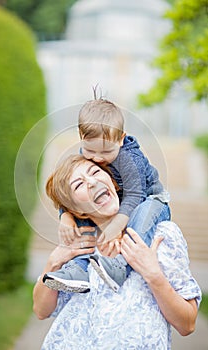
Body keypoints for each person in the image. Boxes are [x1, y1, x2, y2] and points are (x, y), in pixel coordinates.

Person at [33, 154, 201, 349]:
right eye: (78, 184)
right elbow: (41, 310)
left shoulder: (160, 235)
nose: (92, 182)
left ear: (112, 182)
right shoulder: (80, 245)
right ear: (78, 212)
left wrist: (153, 274)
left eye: (95, 172)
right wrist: (53, 262)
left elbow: (187, 324)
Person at [49, 97, 171, 292]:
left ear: (121, 139)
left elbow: (134, 197)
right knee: (85, 212)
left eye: (106, 151)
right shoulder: (95, 151)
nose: (97, 158)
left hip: (149, 200)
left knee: (140, 221)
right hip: (121, 200)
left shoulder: (130, 160)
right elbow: (70, 192)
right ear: (81, 137)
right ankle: (78, 270)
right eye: (89, 150)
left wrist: (116, 228)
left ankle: (120, 267)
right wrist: (66, 215)